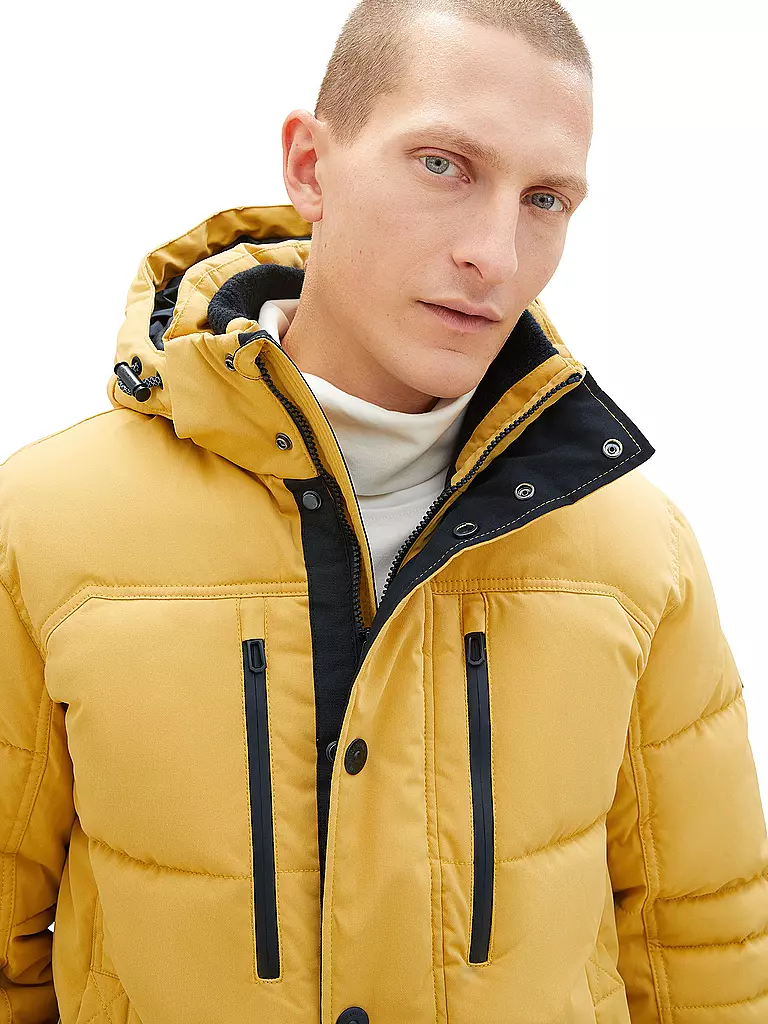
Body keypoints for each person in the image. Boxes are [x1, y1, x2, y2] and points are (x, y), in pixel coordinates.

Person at [1, 0, 766, 1021]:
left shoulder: (637, 547)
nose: (495, 255)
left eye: (545, 199)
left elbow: (703, 950)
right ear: (310, 167)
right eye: (444, 165)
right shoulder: (45, 524)